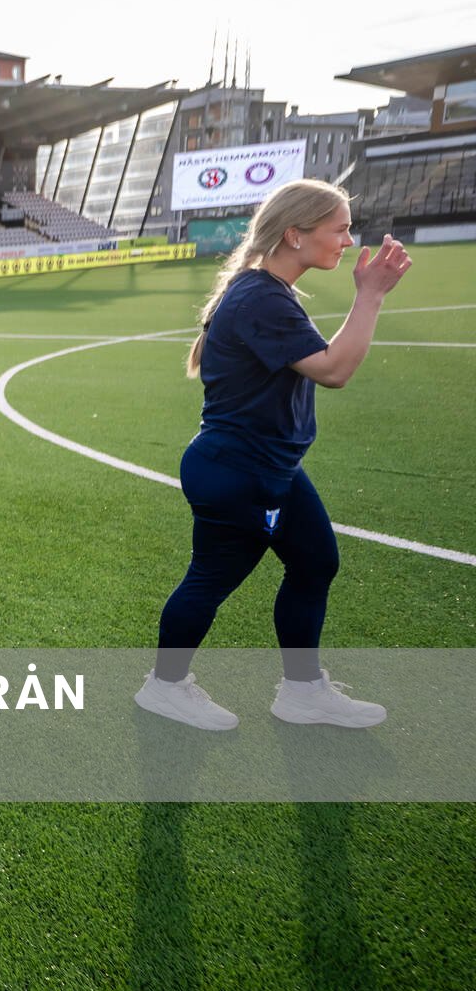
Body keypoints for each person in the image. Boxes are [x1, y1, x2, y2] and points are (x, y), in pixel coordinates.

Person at [135, 180, 410, 730]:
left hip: (265, 467)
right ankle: (164, 688)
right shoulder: (260, 295)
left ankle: (303, 692)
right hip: (239, 471)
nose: (346, 239)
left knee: (315, 562)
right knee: (213, 577)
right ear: (294, 234)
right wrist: (371, 294)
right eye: (338, 229)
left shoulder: (265, 291)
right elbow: (334, 370)